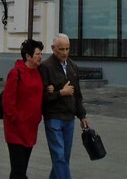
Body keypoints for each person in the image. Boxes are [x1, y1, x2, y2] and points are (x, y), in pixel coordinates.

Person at [39, 33, 90, 179]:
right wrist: (61, 92)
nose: (65, 53)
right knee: (59, 156)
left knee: (63, 158)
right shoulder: (45, 67)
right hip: (53, 117)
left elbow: (77, 94)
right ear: (53, 48)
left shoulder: (73, 66)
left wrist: (82, 115)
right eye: (61, 49)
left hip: (69, 118)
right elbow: (42, 97)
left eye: (67, 49)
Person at [3, 39, 44, 179]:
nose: (40, 57)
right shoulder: (16, 73)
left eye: (41, 54)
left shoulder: (38, 73)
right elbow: (8, 102)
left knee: (20, 169)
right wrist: (16, 119)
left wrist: (37, 118)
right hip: (16, 131)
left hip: (30, 130)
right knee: (19, 170)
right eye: (38, 54)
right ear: (28, 56)